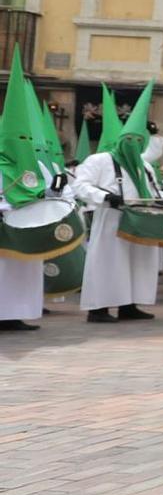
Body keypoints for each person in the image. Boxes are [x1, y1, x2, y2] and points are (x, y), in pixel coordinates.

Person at [72, 84, 163, 324]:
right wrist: (105, 197)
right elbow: (79, 185)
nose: (133, 143)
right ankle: (98, 308)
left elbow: (154, 188)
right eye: (129, 139)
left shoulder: (143, 165)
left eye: (138, 140)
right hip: (111, 219)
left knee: (137, 262)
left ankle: (129, 305)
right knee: (108, 262)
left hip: (139, 219)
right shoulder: (100, 159)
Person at [0, 50, 51, 332]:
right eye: (19, 138)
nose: (24, 143)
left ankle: (14, 314)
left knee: (22, 274)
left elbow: (50, 195)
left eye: (27, 138)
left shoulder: (35, 166)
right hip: (3, 227)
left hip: (26, 228)